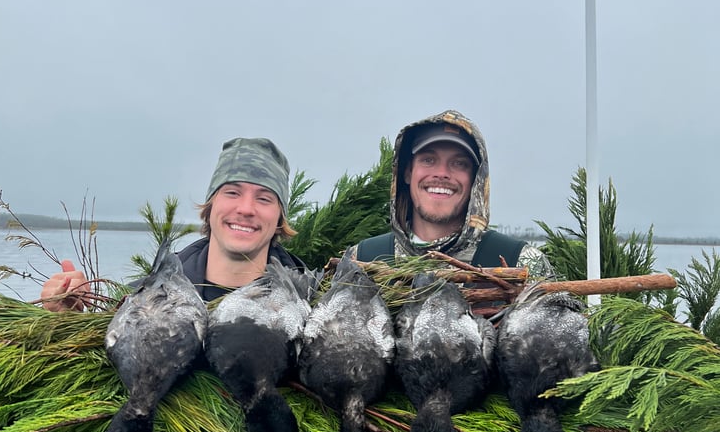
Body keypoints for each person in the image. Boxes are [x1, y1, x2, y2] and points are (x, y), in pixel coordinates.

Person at [41, 136, 306, 310]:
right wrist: (66, 319)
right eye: (232, 192)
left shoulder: (310, 303)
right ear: (211, 205)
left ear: (280, 217)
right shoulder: (142, 300)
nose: (246, 209)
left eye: (264, 198)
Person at [351, 109, 553, 278]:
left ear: (476, 181)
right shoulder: (360, 261)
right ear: (407, 172)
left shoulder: (520, 263)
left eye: (459, 163)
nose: (442, 174)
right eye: (428, 159)